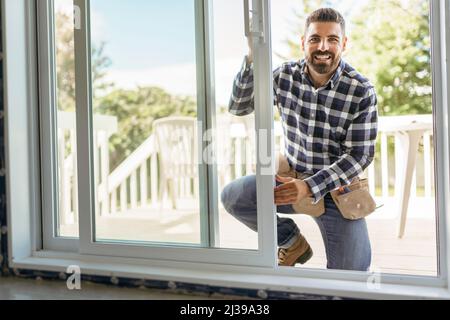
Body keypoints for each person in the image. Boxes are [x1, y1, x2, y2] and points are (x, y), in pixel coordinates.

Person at [221, 8, 378, 271]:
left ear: (344, 44)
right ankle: (291, 241)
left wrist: (309, 186)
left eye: (333, 39)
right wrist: (251, 55)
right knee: (235, 197)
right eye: (315, 38)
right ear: (303, 42)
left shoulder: (361, 90)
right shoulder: (283, 76)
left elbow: (359, 156)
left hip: (336, 192)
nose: (323, 46)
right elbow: (239, 106)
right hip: (288, 180)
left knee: (353, 272)